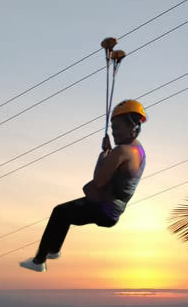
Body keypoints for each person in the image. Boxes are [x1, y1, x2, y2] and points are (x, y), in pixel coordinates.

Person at [20, 100, 147, 272]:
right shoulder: (138, 150)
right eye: (112, 127)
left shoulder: (121, 151)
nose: (113, 132)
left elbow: (99, 181)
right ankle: (54, 251)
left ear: (132, 126)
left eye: (116, 127)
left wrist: (103, 155)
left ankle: (39, 261)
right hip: (114, 209)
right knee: (64, 213)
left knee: (60, 212)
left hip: (104, 210)